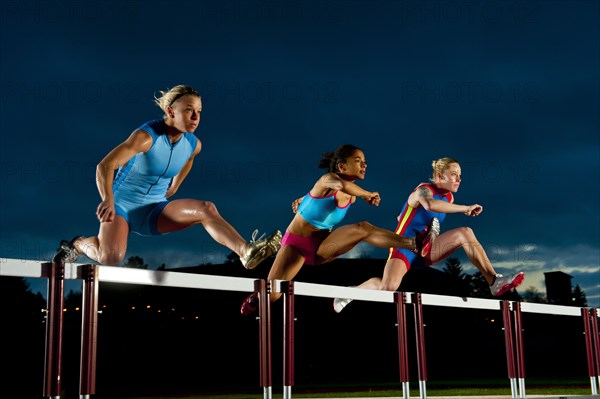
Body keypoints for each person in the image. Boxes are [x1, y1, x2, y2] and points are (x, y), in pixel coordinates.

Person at [52, 85, 281, 269]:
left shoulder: (193, 144)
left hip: (154, 210)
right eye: (189, 110)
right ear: (171, 112)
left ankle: (245, 251)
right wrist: (108, 199)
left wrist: (174, 186)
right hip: (121, 206)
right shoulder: (145, 137)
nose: (195, 116)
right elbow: (105, 166)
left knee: (206, 208)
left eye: (199, 111)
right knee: (111, 257)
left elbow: (189, 159)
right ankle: (79, 244)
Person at [240, 144, 439, 316]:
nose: (364, 165)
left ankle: (416, 243)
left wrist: (301, 200)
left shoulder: (352, 193)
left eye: (365, 161)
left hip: (323, 247)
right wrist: (367, 194)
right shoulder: (328, 179)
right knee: (272, 293)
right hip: (296, 245)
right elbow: (339, 185)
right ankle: (256, 299)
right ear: (342, 166)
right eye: (358, 160)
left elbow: (331, 193)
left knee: (363, 228)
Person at [333, 157, 525, 313]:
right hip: (404, 246)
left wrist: (406, 218)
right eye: (453, 175)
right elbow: (430, 205)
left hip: (426, 249)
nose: (459, 179)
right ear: (440, 175)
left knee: (466, 233)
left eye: (460, 175)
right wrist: (465, 208)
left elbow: (409, 213)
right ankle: (351, 292)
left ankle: (493, 280)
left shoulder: (449, 197)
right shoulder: (423, 190)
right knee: (388, 287)